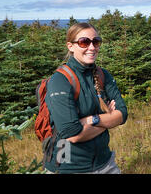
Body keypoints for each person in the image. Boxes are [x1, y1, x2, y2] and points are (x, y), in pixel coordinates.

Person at [44, 22, 128, 174]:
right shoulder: (60, 81)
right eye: (84, 42)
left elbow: (122, 114)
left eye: (96, 41)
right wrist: (108, 119)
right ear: (70, 46)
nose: (92, 47)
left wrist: (91, 120)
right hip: (68, 166)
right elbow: (72, 133)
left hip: (105, 163)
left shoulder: (103, 75)